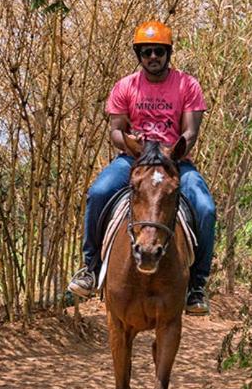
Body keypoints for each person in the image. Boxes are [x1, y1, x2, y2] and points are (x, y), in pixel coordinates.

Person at [67, 20, 216, 315]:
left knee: (205, 207)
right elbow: (115, 130)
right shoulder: (125, 87)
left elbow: (191, 131)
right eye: (147, 52)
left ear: (168, 53)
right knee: (98, 192)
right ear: (139, 54)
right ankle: (90, 267)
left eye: (159, 51)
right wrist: (133, 143)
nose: (153, 57)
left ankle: (197, 285)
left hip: (174, 162)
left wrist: (171, 150)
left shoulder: (187, 85)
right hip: (134, 160)